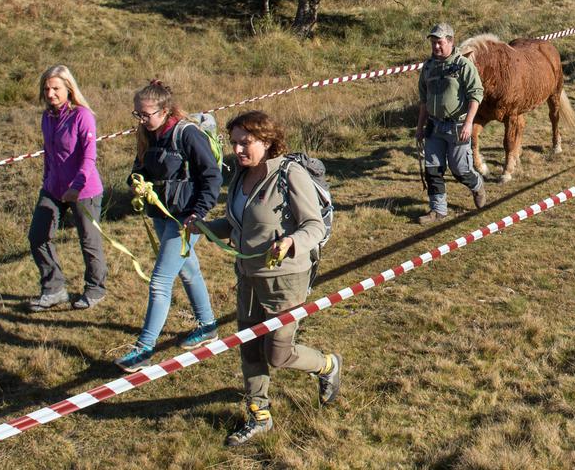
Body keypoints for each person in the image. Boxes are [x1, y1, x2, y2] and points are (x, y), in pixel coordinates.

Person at [198, 110, 341, 446]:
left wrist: (291, 242)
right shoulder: (241, 175)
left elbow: (314, 227)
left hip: (285, 279)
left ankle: (327, 365)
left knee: (278, 354)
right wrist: (203, 226)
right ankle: (258, 414)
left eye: (244, 142)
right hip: (248, 276)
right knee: (249, 346)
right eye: (233, 143)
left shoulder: (289, 174)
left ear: (266, 140)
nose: (237, 150)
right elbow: (237, 223)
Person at [115, 80, 222, 372]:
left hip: (184, 221)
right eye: (136, 114)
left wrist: (198, 214)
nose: (140, 119)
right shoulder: (148, 135)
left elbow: (211, 177)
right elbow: (138, 170)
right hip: (161, 217)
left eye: (145, 114)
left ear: (164, 111)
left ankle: (143, 349)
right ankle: (208, 325)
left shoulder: (186, 135)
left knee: (160, 282)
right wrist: (137, 184)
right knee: (189, 271)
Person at [28, 65, 108, 311]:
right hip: (53, 188)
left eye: (55, 88)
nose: (50, 94)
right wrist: (46, 180)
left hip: (84, 190)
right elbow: (49, 154)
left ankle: (95, 289)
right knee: (37, 236)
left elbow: (89, 157)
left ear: (69, 89)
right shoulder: (46, 117)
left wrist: (77, 186)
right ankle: (54, 289)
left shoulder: (82, 116)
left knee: (89, 241)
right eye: (46, 89)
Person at [415, 23, 486, 225]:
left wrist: (469, 124)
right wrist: (419, 128)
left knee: (460, 170)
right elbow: (423, 100)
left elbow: (476, 95)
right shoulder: (428, 67)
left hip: (458, 127)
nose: (436, 47)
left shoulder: (464, 66)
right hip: (434, 127)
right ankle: (438, 210)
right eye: (433, 43)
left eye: (439, 42)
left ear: (450, 41)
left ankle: (477, 185)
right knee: (433, 169)